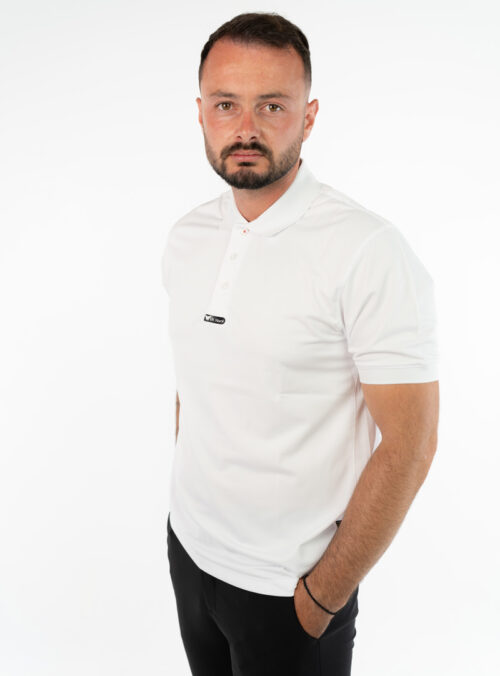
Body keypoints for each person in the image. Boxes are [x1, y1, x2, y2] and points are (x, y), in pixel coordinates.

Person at [161, 12, 440, 676]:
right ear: (200, 113)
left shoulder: (366, 250)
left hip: (289, 590)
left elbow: (412, 443)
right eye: (226, 104)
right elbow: (197, 384)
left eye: (272, 106)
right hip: (190, 552)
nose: (245, 128)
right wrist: (186, 521)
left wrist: (321, 598)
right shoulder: (186, 237)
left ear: (308, 117)